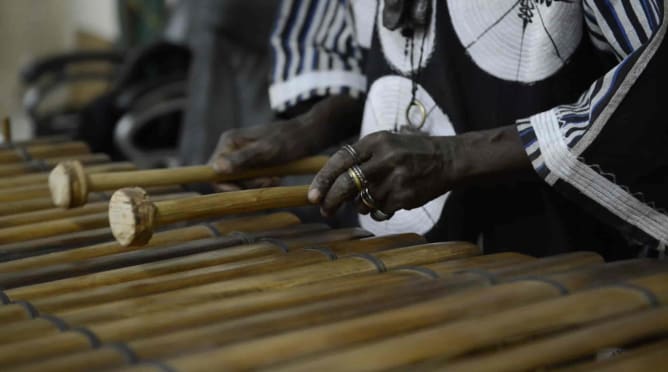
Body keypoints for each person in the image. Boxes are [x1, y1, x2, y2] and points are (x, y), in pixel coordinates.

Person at [210, 0, 668, 261]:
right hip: (391, 260)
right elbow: (352, 46)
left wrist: (456, 156)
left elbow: (654, 91)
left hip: (565, 270)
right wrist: (311, 126)